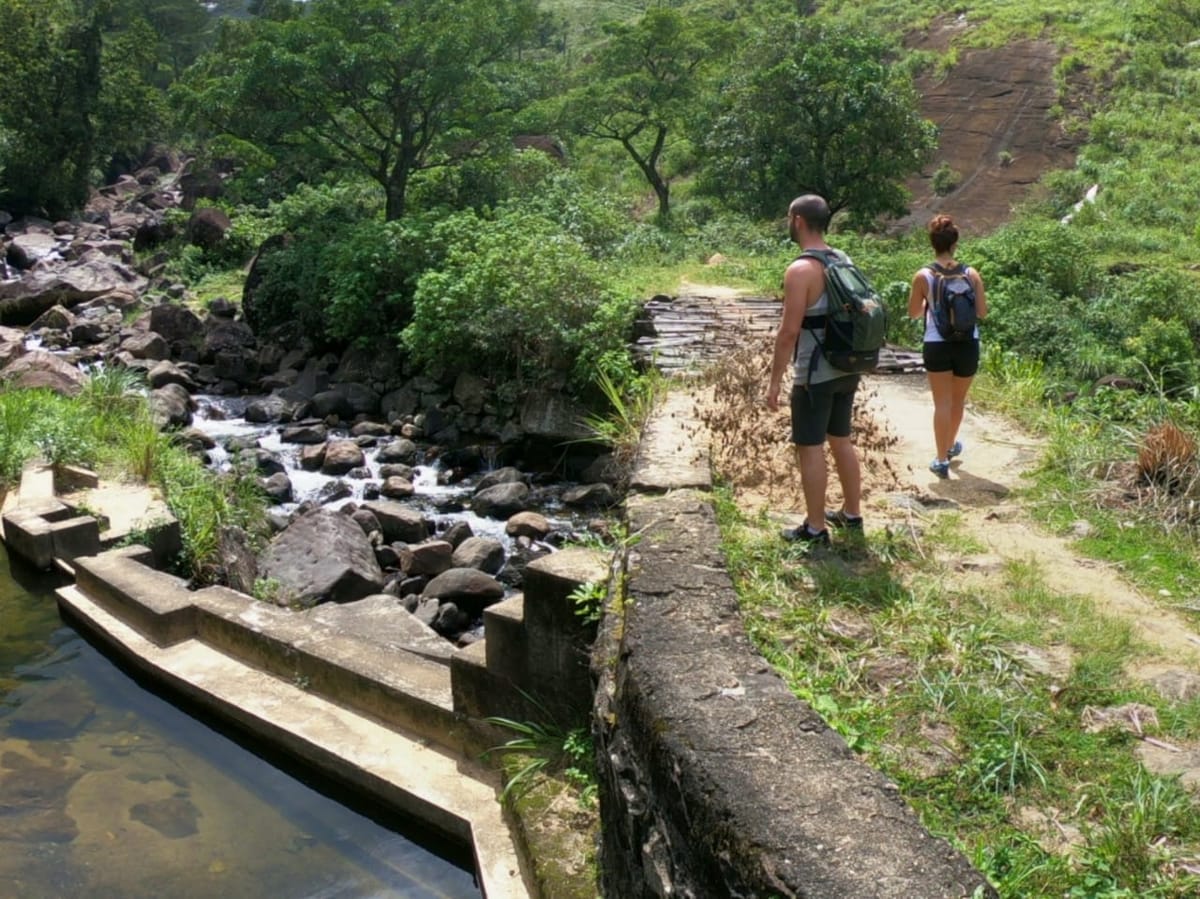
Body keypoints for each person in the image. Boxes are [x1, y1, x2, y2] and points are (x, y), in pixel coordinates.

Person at [766, 194, 864, 545]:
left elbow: (789, 332)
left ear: (797, 221)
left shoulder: (800, 270)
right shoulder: (843, 259)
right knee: (842, 441)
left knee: (810, 447)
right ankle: (852, 515)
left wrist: (775, 382)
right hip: (847, 367)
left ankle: (815, 528)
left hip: (814, 374)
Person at [907, 214, 989, 478]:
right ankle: (951, 445)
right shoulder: (970, 273)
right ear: (955, 242)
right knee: (957, 401)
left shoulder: (923, 275)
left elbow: (913, 313)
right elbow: (982, 312)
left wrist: (928, 304)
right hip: (967, 343)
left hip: (936, 343)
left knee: (941, 403)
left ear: (933, 243)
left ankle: (941, 459)